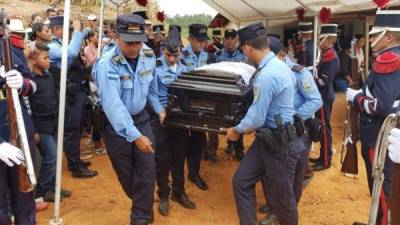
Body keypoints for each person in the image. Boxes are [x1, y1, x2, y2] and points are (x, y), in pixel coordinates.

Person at [227, 22, 305, 225]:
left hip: (280, 144)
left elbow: (256, 117)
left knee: (282, 198)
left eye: (242, 48)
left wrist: (236, 130)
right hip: (267, 140)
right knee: (242, 181)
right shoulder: (279, 66)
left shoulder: (267, 75)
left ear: (247, 48)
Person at [93, 14, 165, 225]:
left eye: (138, 42)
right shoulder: (108, 63)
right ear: (116, 37)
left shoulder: (149, 55)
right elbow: (113, 105)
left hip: (141, 118)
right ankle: (142, 205)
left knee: (147, 168)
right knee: (127, 175)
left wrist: (159, 108)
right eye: (129, 43)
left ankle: (140, 217)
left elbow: (152, 86)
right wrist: (135, 136)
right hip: (114, 126)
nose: (135, 48)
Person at [258, 36, 323, 225]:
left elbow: (315, 100)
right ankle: (273, 207)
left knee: (293, 175)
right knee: (270, 170)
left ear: (283, 53)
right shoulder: (265, 69)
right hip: (275, 132)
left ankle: (285, 212)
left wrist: (294, 116)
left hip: (299, 130)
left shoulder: (298, 73)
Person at [346, 9, 400, 225]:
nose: (369, 38)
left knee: (382, 187)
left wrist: (357, 98)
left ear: (388, 36)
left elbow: (380, 106)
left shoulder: (389, 59)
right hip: (383, 133)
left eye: (374, 33)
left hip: (378, 134)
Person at [151, 27, 196, 217]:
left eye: (175, 55)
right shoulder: (155, 67)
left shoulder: (186, 67)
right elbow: (151, 92)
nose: (171, 59)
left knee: (179, 157)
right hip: (162, 118)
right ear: (163, 51)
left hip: (180, 119)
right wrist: (159, 109)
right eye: (169, 55)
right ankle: (163, 195)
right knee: (162, 159)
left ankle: (179, 191)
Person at [48, 16, 97, 178]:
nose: (70, 32)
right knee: (71, 129)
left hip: (79, 90)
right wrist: (77, 32)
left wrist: (84, 29)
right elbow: (70, 53)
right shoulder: (52, 47)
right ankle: (75, 166)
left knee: (77, 128)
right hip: (69, 94)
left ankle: (75, 159)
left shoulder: (65, 43)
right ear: (56, 30)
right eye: (67, 29)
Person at [0, 18, 38, 224]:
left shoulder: (9, 50)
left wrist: (21, 83)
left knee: (25, 198)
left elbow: (33, 85)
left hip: (19, 132)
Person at [28, 43, 72, 202]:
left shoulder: (49, 76)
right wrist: (33, 130)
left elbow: (54, 98)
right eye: (45, 58)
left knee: (54, 156)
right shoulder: (29, 81)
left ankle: (53, 187)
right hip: (41, 125)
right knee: (51, 157)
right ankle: (41, 192)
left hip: (53, 121)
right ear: (34, 58)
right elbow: (27, 107)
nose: (48, 61)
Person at [181, 23, 216, 191]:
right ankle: (178, 174)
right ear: (190, 39)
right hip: (182, 104)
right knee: (180, 140)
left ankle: (193, 173)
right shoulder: (179, 55)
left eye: (204, 41)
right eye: (199, 40)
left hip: (201, 105)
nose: (202, 44)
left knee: (199, 139)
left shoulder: (208, 57)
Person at [310, 23, 340, 171]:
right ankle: (323, 156)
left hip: (324, 95)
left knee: (324, 128)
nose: (319, 42)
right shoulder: (326, 54)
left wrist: (312, 79)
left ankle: (326, 160)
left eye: (321, 39)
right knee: (322, 126)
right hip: (322, 95)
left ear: (328, 40)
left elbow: (324, 81)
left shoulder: (331, 57)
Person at [214, 28, 246, 161]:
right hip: (223, 92)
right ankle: (230, 143)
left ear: (236, 40)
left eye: (232, 38)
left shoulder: (242, 56)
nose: (229, 41)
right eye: (227, 38)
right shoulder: (218, 55)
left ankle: (239, 148)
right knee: (226, 118)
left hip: (238, 93)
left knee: (239, 119)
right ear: (224, 40)